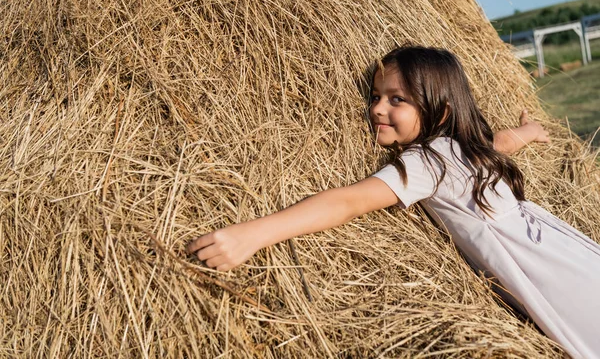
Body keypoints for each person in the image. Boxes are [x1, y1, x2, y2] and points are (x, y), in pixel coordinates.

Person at [186, 46, 600, 359]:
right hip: (568, 255)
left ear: (440, 112)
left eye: (396, 99)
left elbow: (349, 201)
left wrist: (253, 233)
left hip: (554, 276)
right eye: (375, 95)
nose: (377, 108)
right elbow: (501, 143)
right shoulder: (459, 147)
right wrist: (527, 132)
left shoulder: (427, 161)